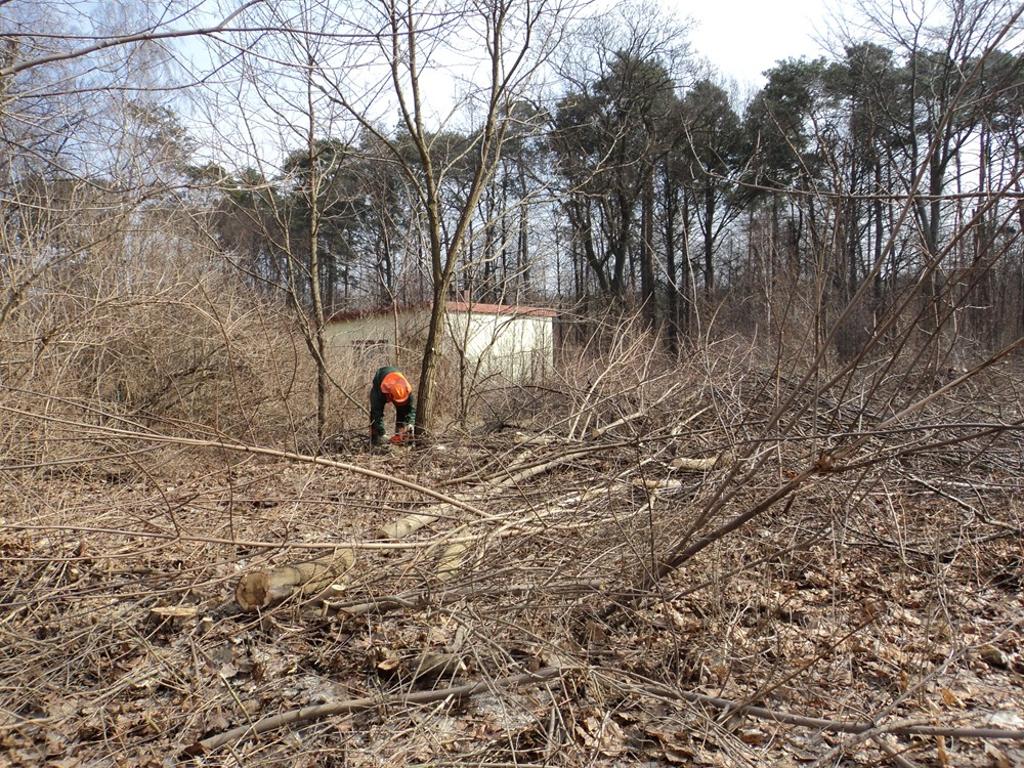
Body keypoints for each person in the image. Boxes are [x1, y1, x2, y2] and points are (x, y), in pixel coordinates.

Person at [369, 366, 416, 446]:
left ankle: (400, 436)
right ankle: (376, 439)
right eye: (398, 401)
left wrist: (409, 424)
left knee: (403, 410)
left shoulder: (407, 391)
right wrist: (382, 433)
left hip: (396, 380)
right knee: (375, 414)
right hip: (381, 379)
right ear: (390, 395)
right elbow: (376, 413)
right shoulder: (380, 393)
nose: (399, 404)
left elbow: (411, 410)